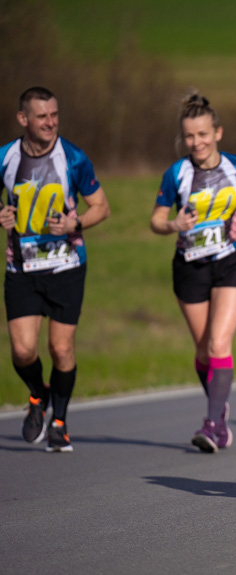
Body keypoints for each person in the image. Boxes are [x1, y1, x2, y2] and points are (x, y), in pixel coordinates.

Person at [150, 91, 236, 453]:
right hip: (190, 267)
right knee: (203, 351)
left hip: (231, 261)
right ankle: (219, 405)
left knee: (219, 342)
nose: (196, 142)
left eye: (202, 134)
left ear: (217, 133)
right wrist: (173, 224)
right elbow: (155, 220)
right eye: (189, 136)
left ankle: (214, 425)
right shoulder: (177, 174)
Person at [0, 86, 111, 452]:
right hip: (23, 269)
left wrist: (73, 225)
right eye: (42, 116)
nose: (51, 122)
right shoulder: (6, 158)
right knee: (22, 351)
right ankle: (37, 395)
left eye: (55, 115)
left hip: (66, 266)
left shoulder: (73, 159)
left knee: (60, 350)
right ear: (23, 119)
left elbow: (100, 207)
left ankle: (59, 422)